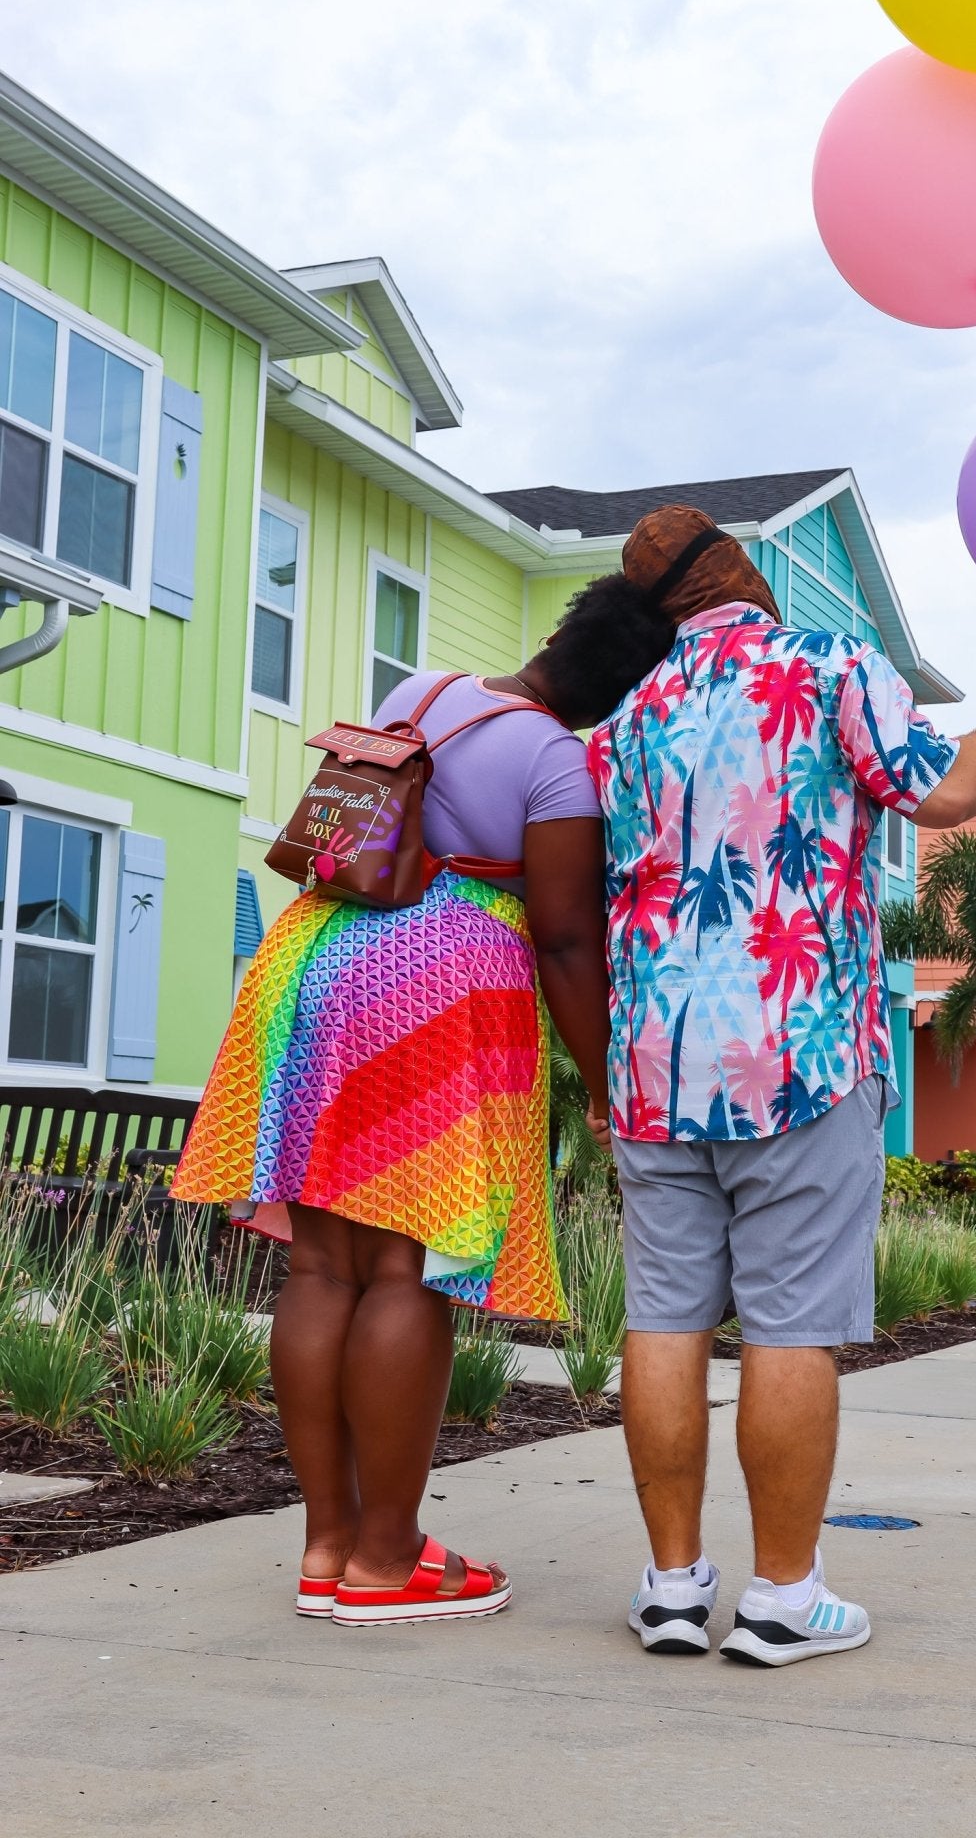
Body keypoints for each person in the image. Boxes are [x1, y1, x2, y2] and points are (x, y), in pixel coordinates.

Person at [586, 506, 976, 1666]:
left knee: (664, 1317)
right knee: (792, 1326)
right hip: (800, 1050)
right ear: (738, 571)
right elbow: (941, 794)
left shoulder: (624, 721)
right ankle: (784, 1596)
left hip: (654, 1055)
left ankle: (669, 1586)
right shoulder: (828, 663)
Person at [172, 574, 674, 1628]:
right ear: (623, 691)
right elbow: (569, 936)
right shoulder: (556, 762)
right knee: (406, 1265)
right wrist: (600, 1078)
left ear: (560, 634)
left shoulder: (426, 686)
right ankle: (389, 1556)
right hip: (435, 986)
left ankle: (326, 1541)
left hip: (310, 959)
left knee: (319, 1260)